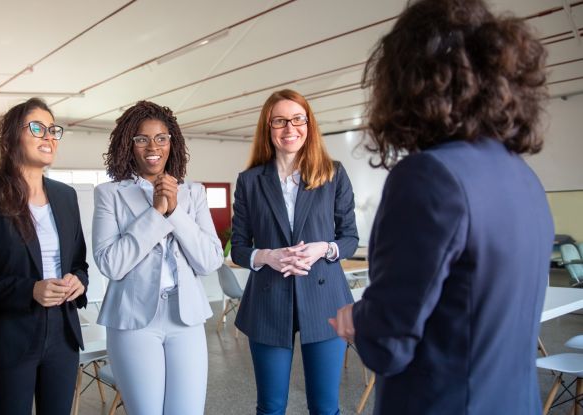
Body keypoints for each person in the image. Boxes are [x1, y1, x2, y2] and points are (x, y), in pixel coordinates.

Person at [328, 0, 552, 413]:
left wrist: (355, 318)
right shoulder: (524, 178)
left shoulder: (428, 178)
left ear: (406, 81)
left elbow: (387, 346)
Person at [0, 98, 89, 415]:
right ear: (13, 136)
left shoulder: (65, 196)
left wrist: (78, 282)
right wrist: (30, 290)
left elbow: (79, 265)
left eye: (53, 129)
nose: (49, 136)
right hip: (9, 335)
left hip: (62, 334)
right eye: (37, 127)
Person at [230, 89, 358, 415]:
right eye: (280, 121)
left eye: (298, 119)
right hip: (269, 300)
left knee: (325, 407)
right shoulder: (249, 181)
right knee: (271, 407)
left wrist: (323, 248)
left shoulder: (333, 173)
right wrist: (266, 256)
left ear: (309, 124)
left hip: (325, 298)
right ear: (268, 128)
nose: (290, 128)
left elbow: (349, 238)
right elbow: (240, 248)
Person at [93, 100, 223, 415]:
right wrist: (156, 214)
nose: (153, 146)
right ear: (129, 145)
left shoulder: (193, 193)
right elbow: (111, 263)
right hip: (133, 321)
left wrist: (176, 211)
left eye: (161, 138)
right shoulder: (110, 194)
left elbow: (209, 260)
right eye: (142, 138)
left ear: (171, 143)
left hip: (186, 316)